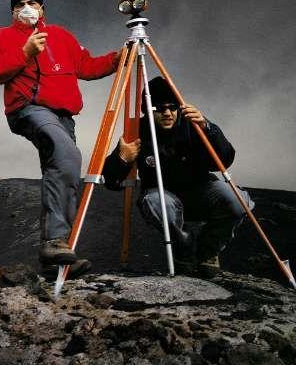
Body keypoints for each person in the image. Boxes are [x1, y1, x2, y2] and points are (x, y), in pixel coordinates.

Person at [0, 0, 119, 273]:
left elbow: (86, 66)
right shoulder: (2, 37)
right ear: (12, 12)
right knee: (67, 157)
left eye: (31, 3)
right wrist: (25, 52)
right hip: (29, 110)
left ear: (42, 7)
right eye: (19, 5)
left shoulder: (61, 35)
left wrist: (117, 60)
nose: (26, 9)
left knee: (63, 172)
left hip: (64, 116)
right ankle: (54, 240)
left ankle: (56, 258)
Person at [103, 76, 252, 278]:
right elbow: (112, 181)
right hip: (163, 196)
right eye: (159, 108)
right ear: (148, 109)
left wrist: (208, 128)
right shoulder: (138, 130)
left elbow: (224, 160)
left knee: (236, 200)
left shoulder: (193, 123)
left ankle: (207, 250)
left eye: (172, 107)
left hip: (201, 190)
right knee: (156, 201)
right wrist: (122, 158)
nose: (167, 113)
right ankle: (183, 246)